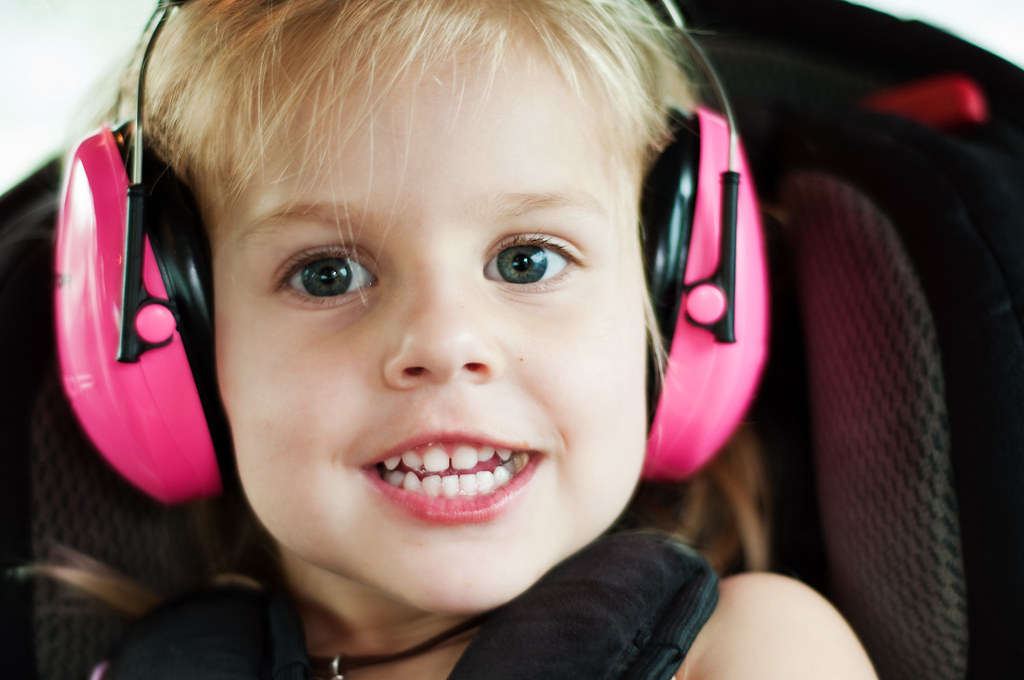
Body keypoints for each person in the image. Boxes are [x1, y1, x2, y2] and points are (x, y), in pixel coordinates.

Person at [57, 0, 877, 677]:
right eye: (328, 274)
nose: (444, 343)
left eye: (526, 261)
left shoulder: (748, 654)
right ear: (178, 343)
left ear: (675, 301)